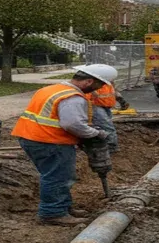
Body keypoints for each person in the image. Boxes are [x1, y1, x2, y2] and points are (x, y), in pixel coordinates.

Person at [11, 64, 118, 226]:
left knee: (58, 175)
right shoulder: (73, 98)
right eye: (100, 85)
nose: (99, 89)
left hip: (31, 137)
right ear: (89, 81)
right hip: (50, 141)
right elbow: (72, 125)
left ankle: (63, 207)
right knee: (58, 177)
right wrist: (96, 134)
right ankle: (52, 213)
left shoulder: (52, 89)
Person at [86, 81, 130, 153]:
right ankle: (111, 146)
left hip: (107, 106)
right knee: (107, 126)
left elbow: (113, 91)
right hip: (96, 106)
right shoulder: (92, 81)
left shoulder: (108, 81)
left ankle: (107, 144)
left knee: (106, 126)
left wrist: (120, 99)